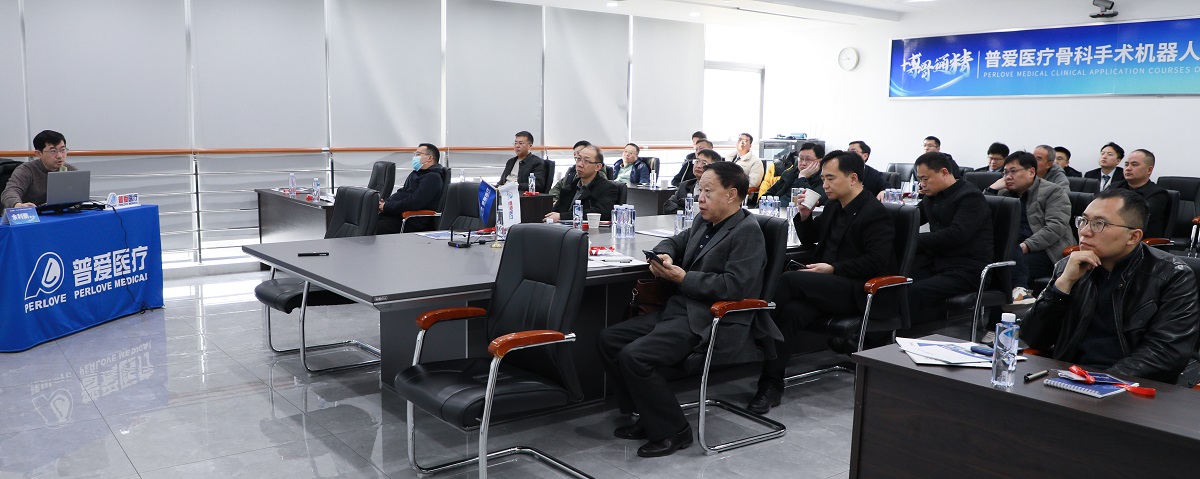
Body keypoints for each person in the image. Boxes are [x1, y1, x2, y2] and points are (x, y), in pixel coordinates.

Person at [597, 161, 782, 458]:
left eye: (708, 191)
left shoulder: (747, 231)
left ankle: (674, 430)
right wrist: (664, 256)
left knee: (636, 356)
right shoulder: (704, 221)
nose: (700, 198)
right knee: (609, 340)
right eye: (700, 191)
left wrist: (684, 278)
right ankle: (647, 414)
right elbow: (674, 241)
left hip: (710, 319)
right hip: (680, 310)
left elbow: (735, 286)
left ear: (731, 194)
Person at [750, 150, 895, 414]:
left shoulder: (875, 213)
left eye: (830, 178)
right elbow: (812, 239)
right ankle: (770, 385)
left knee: (789, 281)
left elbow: (877, 261)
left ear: (853, 178)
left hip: (857, 289)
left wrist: (834, 268)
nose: (824, 184)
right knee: (791, 312)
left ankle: (752, 324)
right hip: (827, 288)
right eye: (824, 178)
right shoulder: (833, 207)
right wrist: (805, 216)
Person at [1023, 188, 1200, 383]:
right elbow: (1033, 338)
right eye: (1083, 221)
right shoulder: (1069, 267)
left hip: (1132, 385)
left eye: (1099, 224)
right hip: (1071, 377)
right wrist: (1062, 285)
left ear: (1133, 237)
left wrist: (1102, 381)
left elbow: (1165, 353)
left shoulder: (1172, 275)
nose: (1085, 231)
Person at [908, 152, 993, 323]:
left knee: (914, 291)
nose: (922, 184)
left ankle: (898, 334)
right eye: (920, 179)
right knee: (895, 280)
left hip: (967, 268)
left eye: (925, 179)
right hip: (937, 262)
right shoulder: (932, 195)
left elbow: (956, 234)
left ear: (944, 173)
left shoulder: (970, 197)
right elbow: (911, 219)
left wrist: (913, 241)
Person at [985, 151, 1074, 303]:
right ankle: (1015, 298)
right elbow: (980, 217)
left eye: (1013, 171)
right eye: (1005, 172)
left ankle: (1016, 297)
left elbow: (1055, 227)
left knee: (1005, 266)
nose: (1008, 177)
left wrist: (1025, 246)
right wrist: (991, 189)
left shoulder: (1053, 191)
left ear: (1031, 172)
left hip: (1048, 250)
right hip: (1013, 249)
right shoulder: (1003, 192)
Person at [376, 143, 446, 234]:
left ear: (429, 158)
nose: (415, 157)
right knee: (367, 220)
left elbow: (414, 202)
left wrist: (387, 207)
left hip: (411, 220)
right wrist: (386, 203)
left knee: (371, 226)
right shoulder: (416, 173)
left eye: (418, 154)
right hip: (398, 214)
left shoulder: (433, 178)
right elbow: (402, 192)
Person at [2, 130, 78, 210]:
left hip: (58, 213)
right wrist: (17, 204)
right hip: (30, 214)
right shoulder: (26, 170)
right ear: (39, 154)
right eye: (53, 151)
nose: (59, 156)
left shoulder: (71, 170)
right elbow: (9, 192)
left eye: (63, 150)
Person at [544, 145, 619, 221]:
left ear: (597, 167)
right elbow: (556, 211)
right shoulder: (569, 188)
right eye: (578, 159)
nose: (580, 164)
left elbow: (599, 213)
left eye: (586, 161)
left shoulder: (608, 188)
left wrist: (562, 216)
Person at [1114, 149, 1170, 238]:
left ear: (1149, 170)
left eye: (1134, 165)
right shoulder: (1115, 186)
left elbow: (1135, 217)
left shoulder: (1158, 194)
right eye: (1126, 164)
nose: (1128, 168)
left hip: (1139, 239)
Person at [663, 148, 721, 213]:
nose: (698, 166)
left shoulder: (717, 188)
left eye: (704, 163)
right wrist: (688, 212)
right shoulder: (685, 185)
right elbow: (668, 206)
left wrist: (682, 204)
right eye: (697, 161)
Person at [549, 141, 607, 206]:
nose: (579, 164)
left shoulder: (599, 176)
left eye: (586, 160)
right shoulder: (572, 171)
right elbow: (557, 188)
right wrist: (555, 201)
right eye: (577, 157)